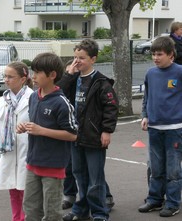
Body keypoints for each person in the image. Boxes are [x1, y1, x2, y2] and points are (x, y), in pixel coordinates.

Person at [16, 52, 78, 221]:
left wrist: (41, 130)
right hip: (33, 162)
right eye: (32, 72)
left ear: (52, 75)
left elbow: (72, 135)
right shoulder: (34, 97)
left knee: (52, 212)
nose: (33, 77)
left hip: (53, 166)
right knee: (31, 209)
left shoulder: (61, 103)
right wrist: (24, 127)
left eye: (37, 73)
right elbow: (34, 123)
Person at [62, 39, 119, 221]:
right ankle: (81, 209)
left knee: (95, 179)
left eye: (82, 58)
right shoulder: (73, 79)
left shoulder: (101, 82)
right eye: (75, 57)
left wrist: (106, 130)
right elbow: (59, 95)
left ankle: (100, 213)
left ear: (93, 59)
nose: (77, 61)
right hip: (76, 136)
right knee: (80, 175)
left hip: (94, 137)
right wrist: (69, 75)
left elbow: (111, 107)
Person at [139, 36, 181, 217]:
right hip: (154, 129)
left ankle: (172, 203)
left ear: (171, 55)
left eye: (159, 54)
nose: (155, 58)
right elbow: (146, 97)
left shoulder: (179, 72)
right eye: (153, 54)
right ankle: (155, 199)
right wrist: (145, 116)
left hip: (175, 129)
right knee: (155, 168)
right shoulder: (150, 73)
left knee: (173, 170)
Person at [0, 61, 34, 221]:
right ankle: (17, 218)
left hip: (27, 151)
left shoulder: (33, 98)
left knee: (26, 189)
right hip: (8, 151)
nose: (6, 80)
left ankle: (27, 217)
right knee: (12, 188)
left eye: (10, 77)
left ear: (23, 79)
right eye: (5, 76)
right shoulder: (2, 101)